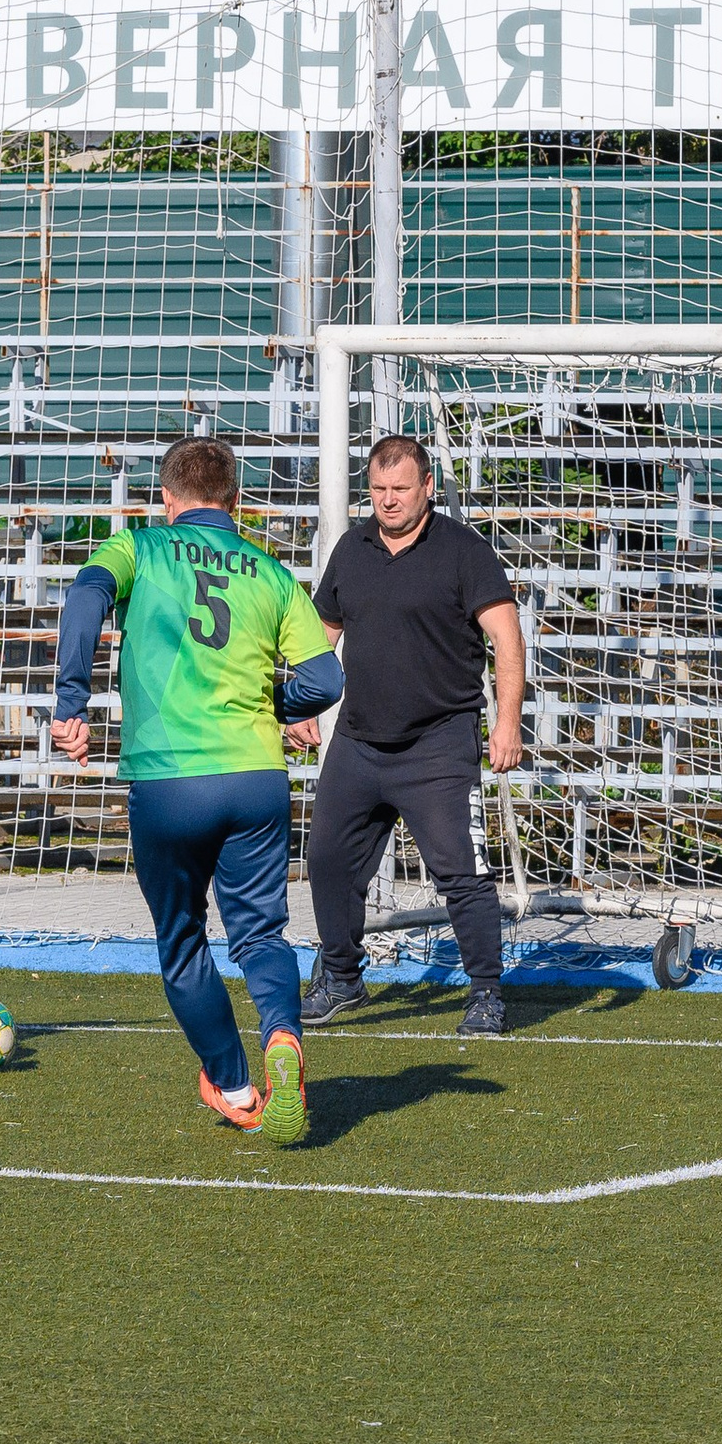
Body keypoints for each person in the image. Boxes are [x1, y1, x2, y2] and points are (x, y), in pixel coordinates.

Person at [48, 435, 343, 1146]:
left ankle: (236, 1083)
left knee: (182, 939)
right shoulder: (270, 573)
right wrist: (278, 707)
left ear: (168, 500)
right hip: (253, 775)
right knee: (262, 934)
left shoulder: (140, 548)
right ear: (235, 503)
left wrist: (69, 702)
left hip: (170, 776)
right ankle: (282, 1037)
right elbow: (327, 680)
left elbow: (84, 597)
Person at [300, 434, 526, 1037]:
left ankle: (485, 992)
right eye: (378, 489)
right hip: (358, 740)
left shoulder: (463, 550)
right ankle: (341, 977)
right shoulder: (353, 547)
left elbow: (506, 638)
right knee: (326, 859)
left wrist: (507, 723)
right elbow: (323, 633)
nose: (388, 500)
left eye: (400, 489)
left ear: (428, 487)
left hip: (439, 743)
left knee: (461, 872)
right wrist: (301, 703)